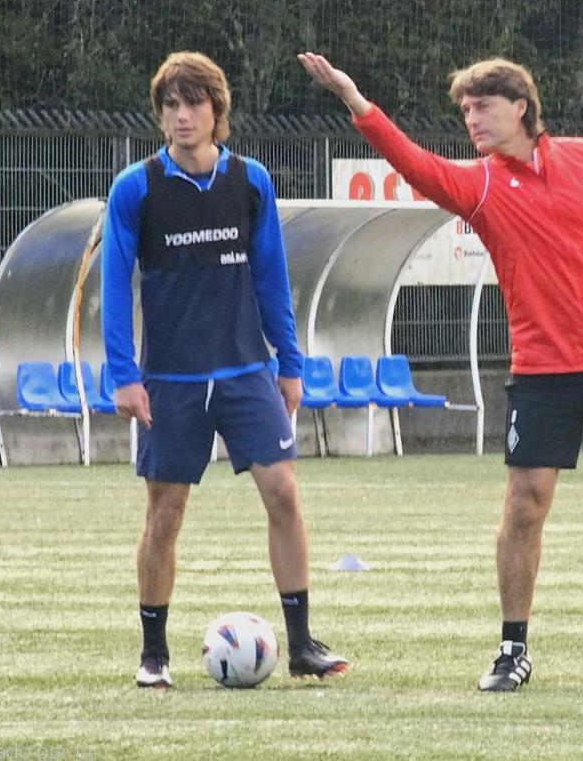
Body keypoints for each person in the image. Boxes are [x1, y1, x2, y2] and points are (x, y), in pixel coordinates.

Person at [298, 51, 583, 692]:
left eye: (483, 106)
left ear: (520, 107)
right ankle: (512, 647)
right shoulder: (482, 185)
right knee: (525, 505)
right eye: (465, 109)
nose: (472, 119)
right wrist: (357, 102)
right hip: (543, 367)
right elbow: (413, 162)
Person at [103, 51, 346, 689]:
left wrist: (288, 363)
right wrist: (123, 375)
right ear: (160, 116)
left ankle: (300, 645)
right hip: (171, 382)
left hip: (246, 374)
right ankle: (153, 653)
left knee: (285, 494)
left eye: (194, 104)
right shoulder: (136, 187)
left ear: (217, 111)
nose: (182, 116)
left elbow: (271, 276)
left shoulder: (250, 180)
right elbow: (114, 282)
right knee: (165, 513)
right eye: (171, 105)